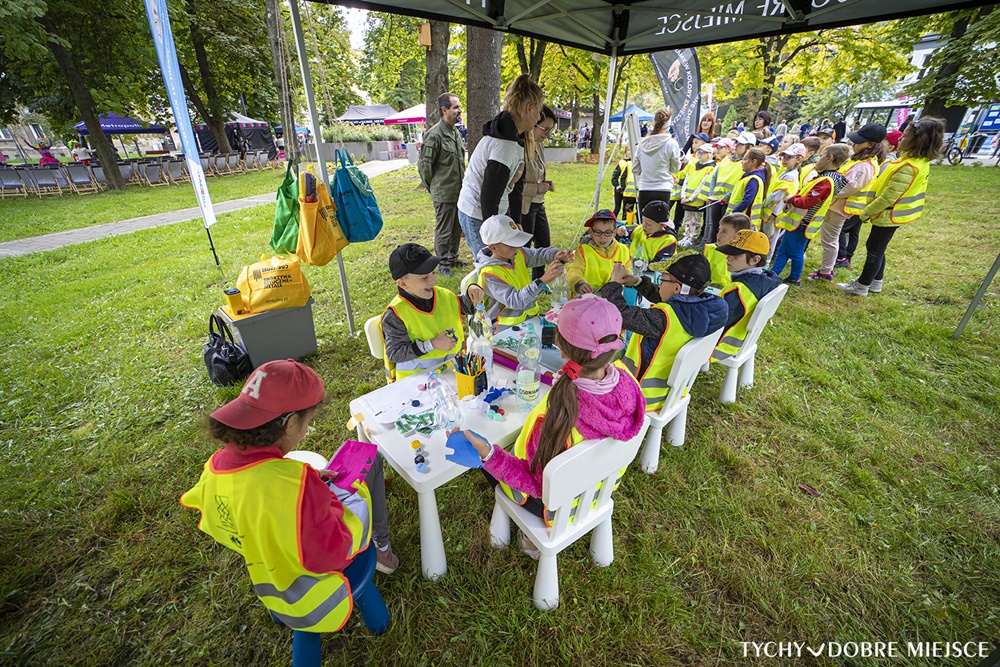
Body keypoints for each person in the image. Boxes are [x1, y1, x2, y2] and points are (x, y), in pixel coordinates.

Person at [180, 359, 397, 629]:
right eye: (308, 422)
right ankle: (383, 552)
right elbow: (333, 553)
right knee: (364, 475)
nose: (305, 430)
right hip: (318, 599)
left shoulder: (214, 471)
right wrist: (325, 499)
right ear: (292, 423)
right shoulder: (298, 488)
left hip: (268, 573)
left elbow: (243, 506)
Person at [455, 296, 645, 556]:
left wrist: (488, 453)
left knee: (489, 457)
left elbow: (536, 484)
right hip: (599, 488)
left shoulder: (559, 418)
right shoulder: (629, 384)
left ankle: (530, 539)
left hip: (555, 506)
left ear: (560, 348)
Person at [599, 254, 728, 411]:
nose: (658, 285)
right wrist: (638, 282)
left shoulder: (663, 319)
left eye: (662, 280)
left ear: (676, 288)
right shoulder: (709, 309)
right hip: (674, 390)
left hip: (642, 394)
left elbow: (620, 314)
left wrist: (613, 284)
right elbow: (669, 298)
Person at [838, 117, 943, 296]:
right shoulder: (912, 161)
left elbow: (888, 197)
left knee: (874, 251)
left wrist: (866, 213)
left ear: (918, 141)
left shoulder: (909, 166)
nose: (900, 139)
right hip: (891, 215)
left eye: (906, 136)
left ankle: (862, 285)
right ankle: (876, 282)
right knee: (877, 248)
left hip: (888, 215)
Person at [458, 74, 545, 258]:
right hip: (477, 214)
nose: (539, 116)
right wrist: (496, 235)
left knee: (500, 265)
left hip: (491, 212)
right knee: (491, 266)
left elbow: (515, 187)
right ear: (529, 108)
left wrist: (515, 222)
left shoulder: (516, 138)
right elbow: (489, 196)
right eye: (539, 110)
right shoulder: (504, 145)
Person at [381, 243, 484, 382]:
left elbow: (467, 305)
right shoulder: (395, 314)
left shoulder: (445, 296)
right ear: (403, 284)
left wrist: (473, 289)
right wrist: (431, 345)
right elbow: (395, 353)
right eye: (424, 278)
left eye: (433, 273)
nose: (433, 280)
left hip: (452, 373)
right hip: (415, 382)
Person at [809, 124, 885, 281]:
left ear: (870, 145)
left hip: (840, 207)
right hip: (837, 205)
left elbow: (849, 187)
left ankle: (825, 272)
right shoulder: (861, 161)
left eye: (859, 141)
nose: (854, 144)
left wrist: (827, 192)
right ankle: (826, 269)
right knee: (830, 238)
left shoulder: (865, 166)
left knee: (830, 240)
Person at [476, 215, 573, 329]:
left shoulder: (516, 254)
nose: (516, 247)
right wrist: (541, 281)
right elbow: (515, 301)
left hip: (527, 321)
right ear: (493, 247)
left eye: (516, 241)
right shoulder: (489, 274)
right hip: (502, 329)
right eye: (510, 244)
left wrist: (555, 254)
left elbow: (538, 255)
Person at [772, 143, 849, 285]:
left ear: (829, 158)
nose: (817, 160)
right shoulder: (824, 178)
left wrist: (791, 199)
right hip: (797, 221)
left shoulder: (826, 181)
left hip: (802, 223)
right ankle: (773, 273)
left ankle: (794, 277)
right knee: (784, 249)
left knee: (795, 252)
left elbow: (808, 201)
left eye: (820, 156)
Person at [712, 230, 782, 362]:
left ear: (755, 260)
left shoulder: (739, 290)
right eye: (729, 253)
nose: (728, 258)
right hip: (743, 340)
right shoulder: (765, 280)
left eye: (736, 256)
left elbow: (716, 321)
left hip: (720, 346)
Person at [418, 92, 467, 277]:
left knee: (457, 226)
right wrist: (434, 186)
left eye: (459, 106)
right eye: (455, 107)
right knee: (445, 229)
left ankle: (452, 258)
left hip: (458, 191)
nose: (459, 110)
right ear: (444, 110)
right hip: (444, 192)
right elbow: (425, 167)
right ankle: (443, 263)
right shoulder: (434, 135)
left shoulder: (455, 133)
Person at [520, 106, 557, 280]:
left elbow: (538, 171)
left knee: (544, 242)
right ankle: (519, 281)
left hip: (538, 202)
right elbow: (513, 186)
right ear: (533, 124)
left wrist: (546, 183)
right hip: (524, 205)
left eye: (550, 130)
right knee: (523, 247)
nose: (547, 135)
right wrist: (535, 187)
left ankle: (539, 280)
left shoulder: (539, 144)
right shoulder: (519, 146)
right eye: (546, 129)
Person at [566, 209, 631, 297]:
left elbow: (627, 273)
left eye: (608, 232)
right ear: (591, 232)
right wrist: (578, 283)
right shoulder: (583, 251)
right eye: (598, 232)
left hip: (612, 299)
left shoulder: (623, 250)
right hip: (585, 299)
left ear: (614, 232)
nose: (602, 237)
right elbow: (574, 271)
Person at [634, 108, 681, 212]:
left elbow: (635, 169)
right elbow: (675, 169)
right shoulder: (672, 143)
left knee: (645, 224)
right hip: (663, 188)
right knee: (660, 224)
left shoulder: (642, 143)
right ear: (668, 124)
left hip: (645, 188)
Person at [677, 144, 717, 246]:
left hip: (697, 199)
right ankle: (686, 235)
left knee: (695, 220)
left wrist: (691, 197)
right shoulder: (693, 166)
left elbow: (702, 185)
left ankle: (692, 237)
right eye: (698, 152)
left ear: (709, 154)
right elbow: (686, 180)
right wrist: (683, 195)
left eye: (703, 153)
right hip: (686, 197)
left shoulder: (710, 168)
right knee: (687, 218)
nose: (700, 154)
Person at [618, 200, 678, 266]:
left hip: (652, 273)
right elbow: (628, 236)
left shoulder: (668, 241)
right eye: (643, 220)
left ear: (663, 225)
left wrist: (636, 263)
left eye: (649, 224)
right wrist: (622, 231)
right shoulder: (640, 228)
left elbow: (658, 265)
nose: (644, 225)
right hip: (632, 268)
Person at [704, 212, 753, 289]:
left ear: (738, 236)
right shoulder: (710, 249)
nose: (718, 235)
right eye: (719, 230)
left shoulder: (744, 258)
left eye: (724, 232)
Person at [725, 147, 770, 229]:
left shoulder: (753, 179)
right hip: (738, 219)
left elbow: (747, 200)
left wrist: (733, 213)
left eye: (745, 159)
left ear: (753, 161)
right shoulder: (748, 177)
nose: (742, 162)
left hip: (742, 220)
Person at [611, 148, 637, 220]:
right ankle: (611, 222)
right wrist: (617, 186)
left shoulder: (636, 162)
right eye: (628, 150)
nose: (630, 152)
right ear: (625, 152)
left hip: (629, 190)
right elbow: (614, 177)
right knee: (617, 208)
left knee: (629, 211)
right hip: (619, 190)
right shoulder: (622, 163)